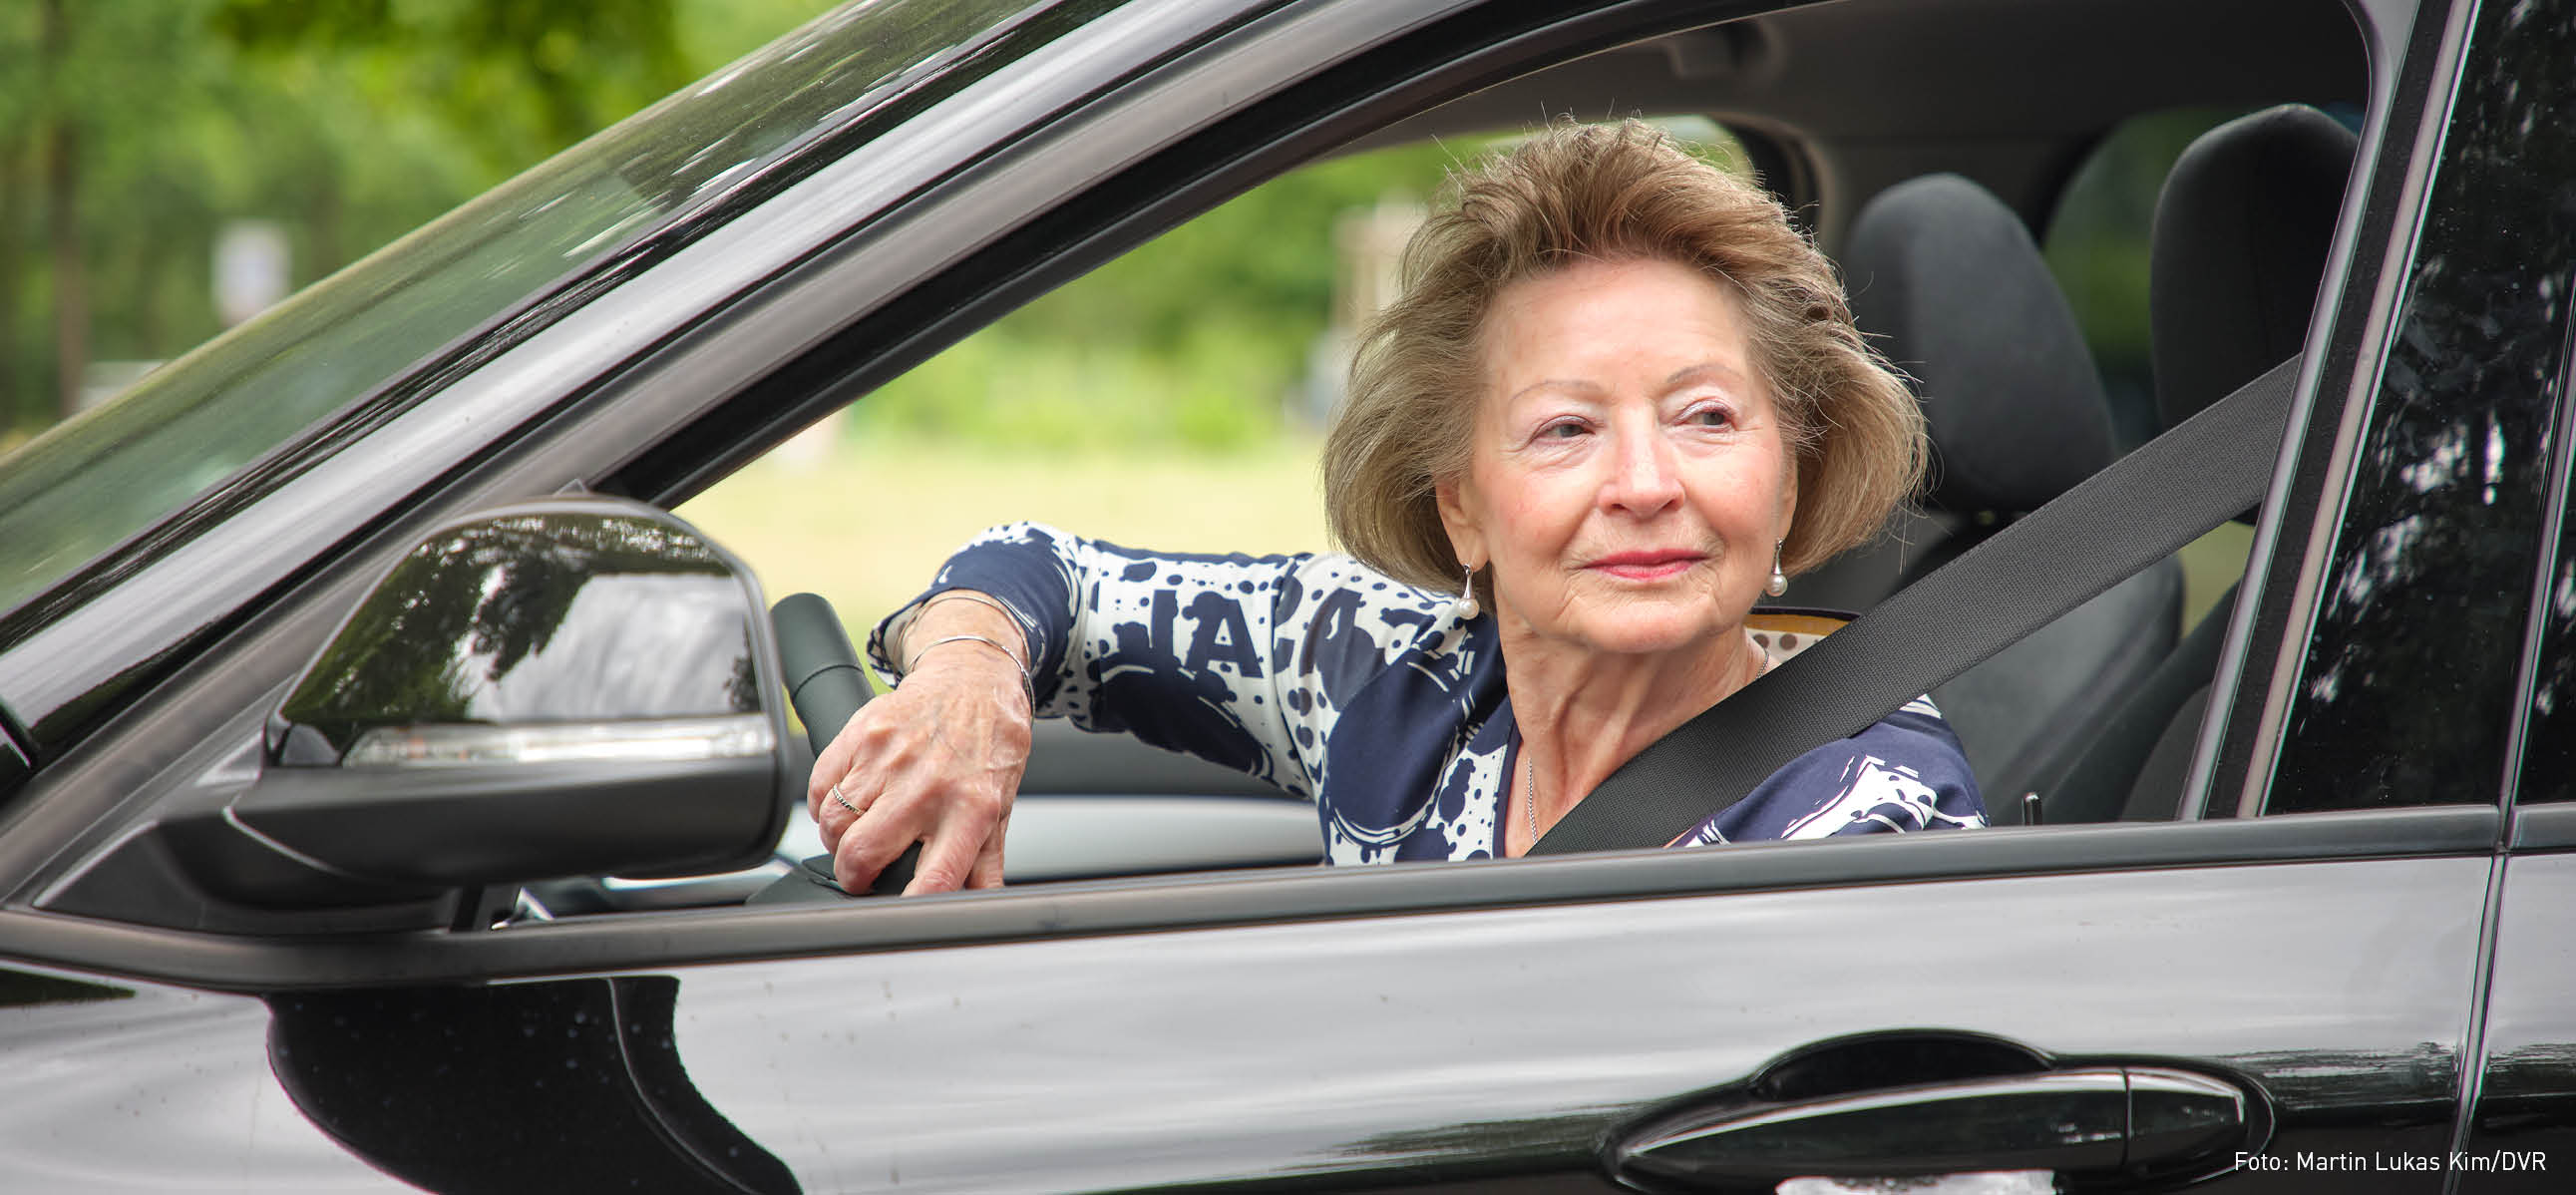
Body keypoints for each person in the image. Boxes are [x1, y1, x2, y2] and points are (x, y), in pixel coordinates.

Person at [809, 120, 1985, 896]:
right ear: (1462, 508)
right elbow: (1045, 572)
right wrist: (965, 675)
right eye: (1567, 428)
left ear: (1788, 480)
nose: (1644, 482)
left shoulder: (1870, 815)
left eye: (1708, 419)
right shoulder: (1382, 666)